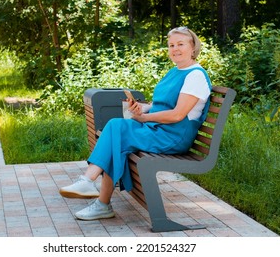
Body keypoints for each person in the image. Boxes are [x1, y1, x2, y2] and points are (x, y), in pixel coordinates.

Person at [59, 27, 212, 220]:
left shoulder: (195, 76)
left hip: (173, 135)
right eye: (171, 45)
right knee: (116, 130)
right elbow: (161, 105)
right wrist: (143, 109)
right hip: (159, 129)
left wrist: (145, 118)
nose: (175, 49)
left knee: (117, 129)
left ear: (193, 47)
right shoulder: (175, 71)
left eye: (181, 44)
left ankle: (92, 188)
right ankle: (95, 194)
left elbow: (177, 115)